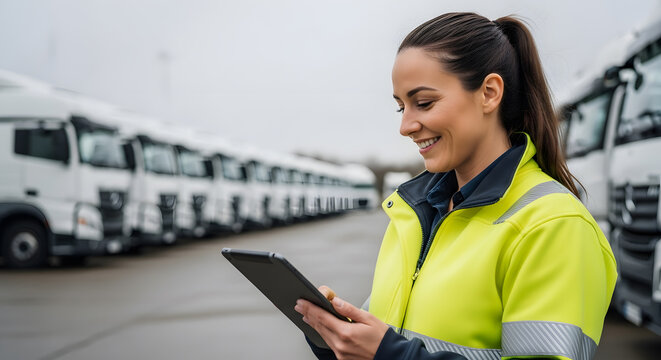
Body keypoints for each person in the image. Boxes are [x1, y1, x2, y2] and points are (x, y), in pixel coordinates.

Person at [294, 12, 617, 360]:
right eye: (401, 107)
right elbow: (384, 342)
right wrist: (335, 339)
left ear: (489, 94)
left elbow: (393, 352)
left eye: (423, 103)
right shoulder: (412, 216)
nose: (405, 126)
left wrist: (393, 356)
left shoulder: (554, 225)